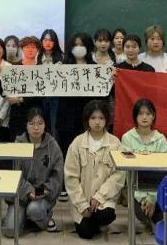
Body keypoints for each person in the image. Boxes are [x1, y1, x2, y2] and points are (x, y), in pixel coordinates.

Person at [64, 100, 125, 239]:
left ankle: (99, 220)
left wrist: (100, 196)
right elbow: (71, 177)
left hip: (104, 200)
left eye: (101, 118)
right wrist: (82, 205)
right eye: (93, 118)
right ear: (87, 120)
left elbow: (119, 175)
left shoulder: (115, 143)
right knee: (86, 233)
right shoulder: (77, 143)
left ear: (107, 119)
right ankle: (90, 221)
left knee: (106, 215)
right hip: (82, 200)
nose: (97, 122)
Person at [3, 108, 63, 236]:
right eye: (32, 123)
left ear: (45, 125)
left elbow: (57, 174)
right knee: (10, 231)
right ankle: (26, 218)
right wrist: (28, 190)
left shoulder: (52, 145)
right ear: (26, 125)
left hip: (43, 195)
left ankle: (43, 218)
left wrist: (47, 189)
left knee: (34, 209)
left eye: (40, 123)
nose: (36, 128)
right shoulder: (18, 143)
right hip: (21, 195)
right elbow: (14, 173)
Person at [120, 99, 167, 230]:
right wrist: (142, 198)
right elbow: (126, 171)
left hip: (156, 188)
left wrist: (152, 198)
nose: (144, 117)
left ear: (153, 116)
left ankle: (153, 215)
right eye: (140, 114)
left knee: (158, 219)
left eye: (148, 113)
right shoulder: (127, 138)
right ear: (135, 117)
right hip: (134, 188)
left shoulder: (161, 139)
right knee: (142, 214)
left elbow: (164, 171)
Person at [59, 33, 96, 162]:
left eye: (82, 45)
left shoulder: (95, 68)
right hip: (67, 118)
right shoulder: (63, 66)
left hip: (88, 115)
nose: (79, 48)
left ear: (88, 47)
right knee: (68, 151)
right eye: (76, 45)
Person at [2, 36, 42, 139]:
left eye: (33, 47)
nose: (30, 50)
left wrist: (21, 99)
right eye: (27, 47)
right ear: (22, 49)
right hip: (16, 114)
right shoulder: (14, 67)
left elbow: (43, 93)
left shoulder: (42, 68)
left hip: (35, 113)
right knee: (16, 143)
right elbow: (5, 88)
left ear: (38, 50)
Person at [37, 29, 64, 142]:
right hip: (39, 97)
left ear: (55, 42)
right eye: (45, 40)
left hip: (56, 98)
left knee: (54, 128)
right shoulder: (36, 57)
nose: (48, 43)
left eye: (51, 40)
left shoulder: (62, 57)